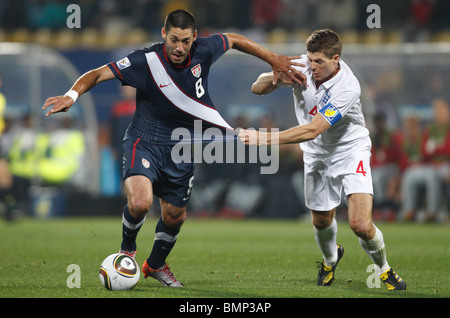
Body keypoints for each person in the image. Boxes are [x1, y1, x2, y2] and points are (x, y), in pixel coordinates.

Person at [42, 9, 304, 287]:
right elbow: (96, 74)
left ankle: (155, 265)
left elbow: (235, 39)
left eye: (186, 41)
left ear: (195, 38)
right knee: (141, 203)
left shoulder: (204, 50)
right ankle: (127, 252)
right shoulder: (145, 61)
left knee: (175, 216)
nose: (179, 48)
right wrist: (71, 95)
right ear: (164, 34)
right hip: (144, 141)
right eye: (174, 40)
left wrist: (273, 58)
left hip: (183, 147)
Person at [239, 29, 406, 290]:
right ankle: (330, 259)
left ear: (336, 58)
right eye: (310, 59)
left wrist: (264, 138)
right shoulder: (303, 66)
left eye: (319, 62)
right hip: (317, 154)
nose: (312, 66)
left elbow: (313, 129)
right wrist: (275, 78)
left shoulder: (347, 87)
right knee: (321, 220)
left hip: (350, 150)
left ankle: (384, 269)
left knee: (360, 224)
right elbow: (256, 88)